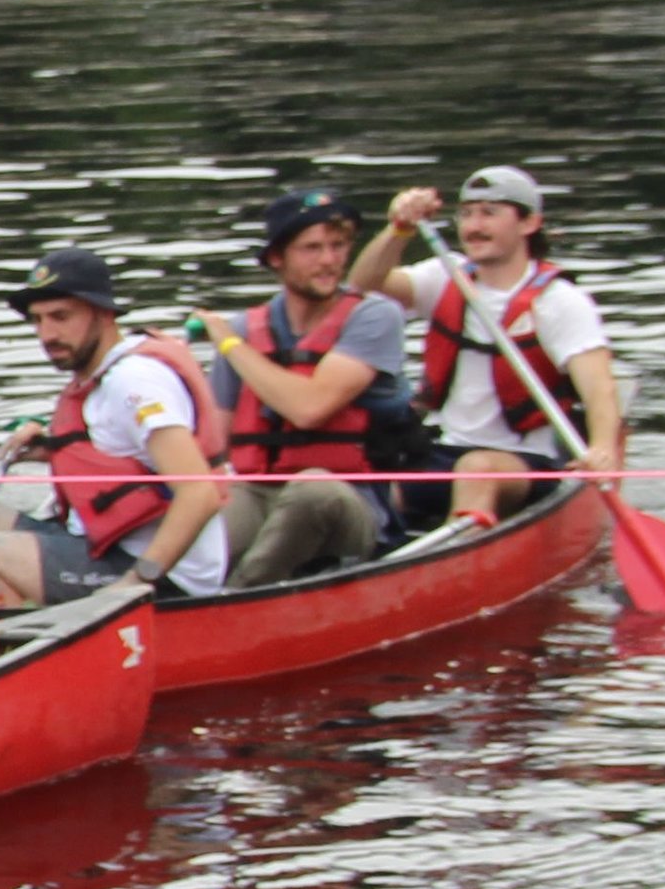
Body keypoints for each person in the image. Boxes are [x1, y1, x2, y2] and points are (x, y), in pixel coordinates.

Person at [0, 250, 227, 606]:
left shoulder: (136, 381)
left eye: (60, 317)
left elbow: (201, 494)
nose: (47, 334)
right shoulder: (100, 368)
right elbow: (116, 452)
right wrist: (54, 448)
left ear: (103, 313)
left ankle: (15, 638)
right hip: (90, 543)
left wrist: (138, 579)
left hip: (153, 570)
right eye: (37, 320)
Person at [351, 168, 627, 523]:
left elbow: (600, 389)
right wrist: (399, 229)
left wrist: (602, 449)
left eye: (489, 213)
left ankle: (455, 565)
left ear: (529, 224)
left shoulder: (560, 302)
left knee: (476, 469)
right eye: (467, 213)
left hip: (526, 461)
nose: (474, 226)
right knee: (375, 488)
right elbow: (362, 283)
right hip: (442, 452)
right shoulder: (443, 277)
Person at [199, 186, 441, 583]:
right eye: (312, 248)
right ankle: (168, 596)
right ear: (277, 258)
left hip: (349, 501)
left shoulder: (376, 317)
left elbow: (309, 409)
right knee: (200, 516)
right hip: (260, 491)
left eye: (338, 246)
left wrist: (229, 346)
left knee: (313, 491)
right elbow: (213, 442)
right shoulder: (246, 329)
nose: (329, 261)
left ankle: (236, 598)